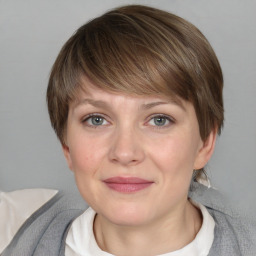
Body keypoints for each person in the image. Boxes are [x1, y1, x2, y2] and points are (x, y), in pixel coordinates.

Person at [1, 4, 255, 256]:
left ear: (204, 143)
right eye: (97, 120)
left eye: (159, 120)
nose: (124, 152)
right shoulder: (12, 228)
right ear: (66, 145)